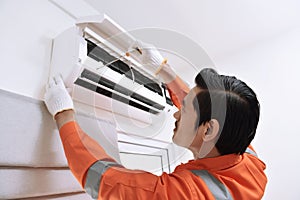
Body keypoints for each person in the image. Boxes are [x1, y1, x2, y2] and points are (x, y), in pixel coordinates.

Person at [44, 42, 267, 199]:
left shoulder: (185, 195)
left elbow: (105, 180)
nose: (176, 113)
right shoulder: (244, 154)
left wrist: (64, 114)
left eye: (184, 110)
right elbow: (206, 109)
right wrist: (164, 70)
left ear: (208, 131)